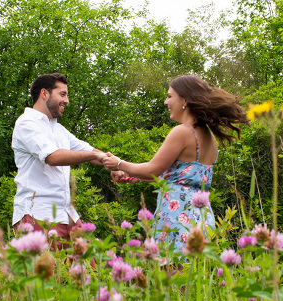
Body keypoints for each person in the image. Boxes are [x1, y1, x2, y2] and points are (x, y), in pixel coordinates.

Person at [103, 75, 247, 252]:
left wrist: (118, 163)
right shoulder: (209, 137)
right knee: (193, 269)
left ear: (185, 100)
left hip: (178, 218)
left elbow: (152, 169)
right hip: (201, 217)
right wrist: (136, 177)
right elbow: (182, 179)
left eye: (170, 96)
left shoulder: (183, 131)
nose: (166, 102)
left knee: (172, 268)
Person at [12, 73, 106, 244]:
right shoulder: (26, 123)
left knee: (90, 261)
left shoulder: (59, 130)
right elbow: (52, 157)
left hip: (67, 216)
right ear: (44, 93)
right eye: (62, 94)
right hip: (38, 215)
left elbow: (89, 151)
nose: (67, 101)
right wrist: (95, 155)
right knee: (47, 264)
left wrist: (117, 165)